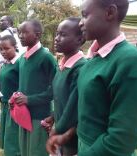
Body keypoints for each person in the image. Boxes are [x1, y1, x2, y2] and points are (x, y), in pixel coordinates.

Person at [77, 0, 137, 155]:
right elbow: (90, 113)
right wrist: (68, 134)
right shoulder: (95, 58)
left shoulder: (129, 61)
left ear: (110, 13)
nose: (80, 23)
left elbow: (123, 138)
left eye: (84, 15)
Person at [13, 19, 57, 156]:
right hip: (24, 113)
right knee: (25, 149)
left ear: (37, 35)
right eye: (19, 32)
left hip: (39, 116)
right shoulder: (23, 58)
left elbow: (55, 89)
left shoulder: (46, 57)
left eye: (25, 32)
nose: (20, 36)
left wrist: (29, 99)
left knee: (37, 151)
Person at [44, 17, 86, 156]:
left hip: (72, 137)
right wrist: (54, 116)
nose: (56, 38)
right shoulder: (62, 65)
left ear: (80, 40)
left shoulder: (80, 68)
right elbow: (61, 98)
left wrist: (58, 130)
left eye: (63, 35)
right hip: (61, 132)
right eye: (57, 34)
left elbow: (74, 109)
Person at [0, 35, 20, 156]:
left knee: (14, 141)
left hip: (15, 107)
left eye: (6, 48)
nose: (3, 52)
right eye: (0, 49)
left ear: (15, 47)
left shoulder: (19, 63)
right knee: (8, 138)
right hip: (5, 105)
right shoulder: (6, 63)